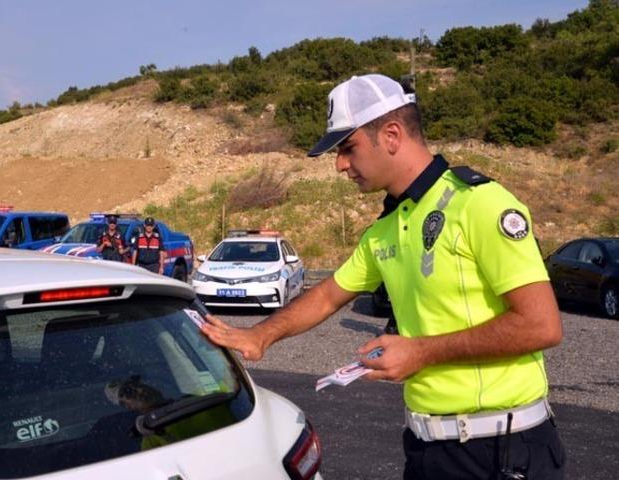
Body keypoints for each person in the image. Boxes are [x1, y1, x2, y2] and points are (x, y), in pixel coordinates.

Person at [201, 74, 564, 479]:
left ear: (391, 135)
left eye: (348, 148)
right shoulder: (386, 229)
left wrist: (420, 352)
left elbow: (541, 325)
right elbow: (328, 295)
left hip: (502, 450)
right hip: (426, 448)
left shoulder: (478, 204)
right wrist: (260, 335)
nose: (340, 165)